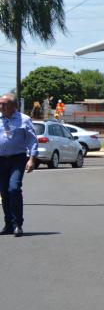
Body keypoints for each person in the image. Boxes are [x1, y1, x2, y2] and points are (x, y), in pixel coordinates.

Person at [0, 93, 39, 237]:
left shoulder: (24, 120)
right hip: (1, 160)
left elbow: (32, 140)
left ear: (14, 105)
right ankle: (8, 225)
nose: (1, 106)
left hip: (18, 158)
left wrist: (32, 159)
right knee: (4, 193)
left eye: (4, 104)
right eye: (0, 103)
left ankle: (18, 224)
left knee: (14, 188)